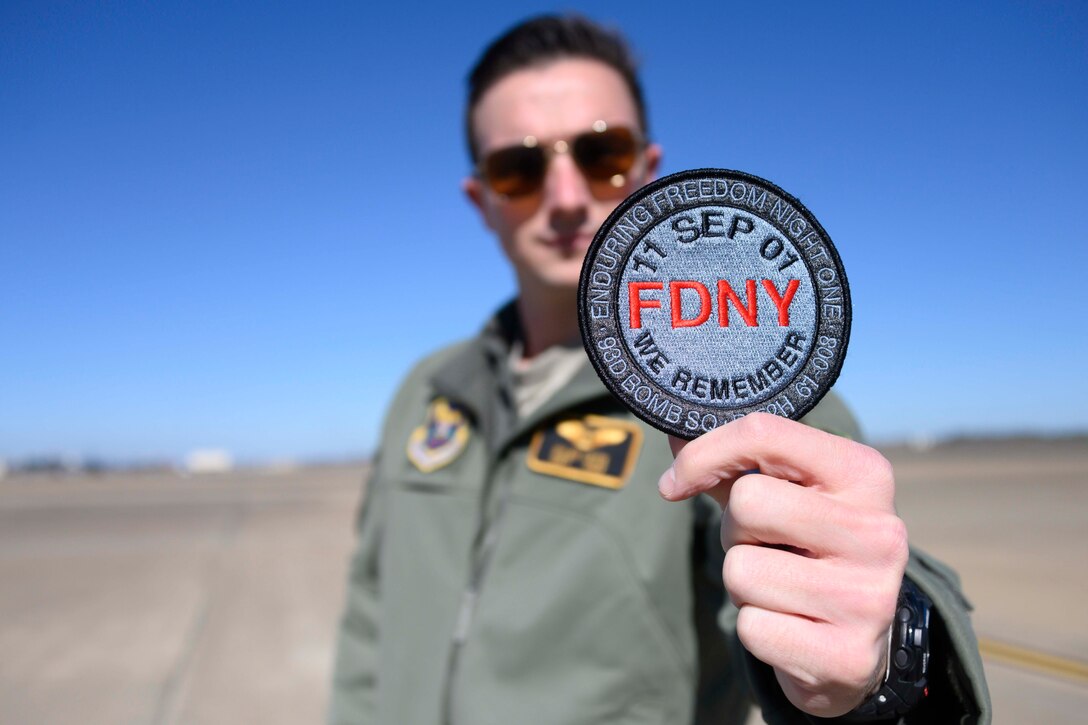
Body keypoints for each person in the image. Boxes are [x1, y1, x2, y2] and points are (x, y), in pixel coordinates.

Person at [329, 14, 991, 725]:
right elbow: (371, 613)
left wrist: (888, 663)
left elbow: (853, 570)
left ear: (648, 169)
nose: (565, 196)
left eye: (600, 152)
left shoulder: (742, 393)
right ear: (482, 200)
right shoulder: (427, 388)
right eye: (517, 169)